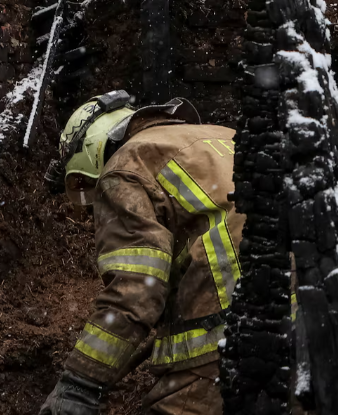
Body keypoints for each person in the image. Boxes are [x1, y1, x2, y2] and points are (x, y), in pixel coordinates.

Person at [39, 90, 243, 415]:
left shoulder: (125, 167)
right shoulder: (223, 137)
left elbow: (135, 291)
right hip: (310, 324)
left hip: (229, 343)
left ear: (92, 152)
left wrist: (79, 384)